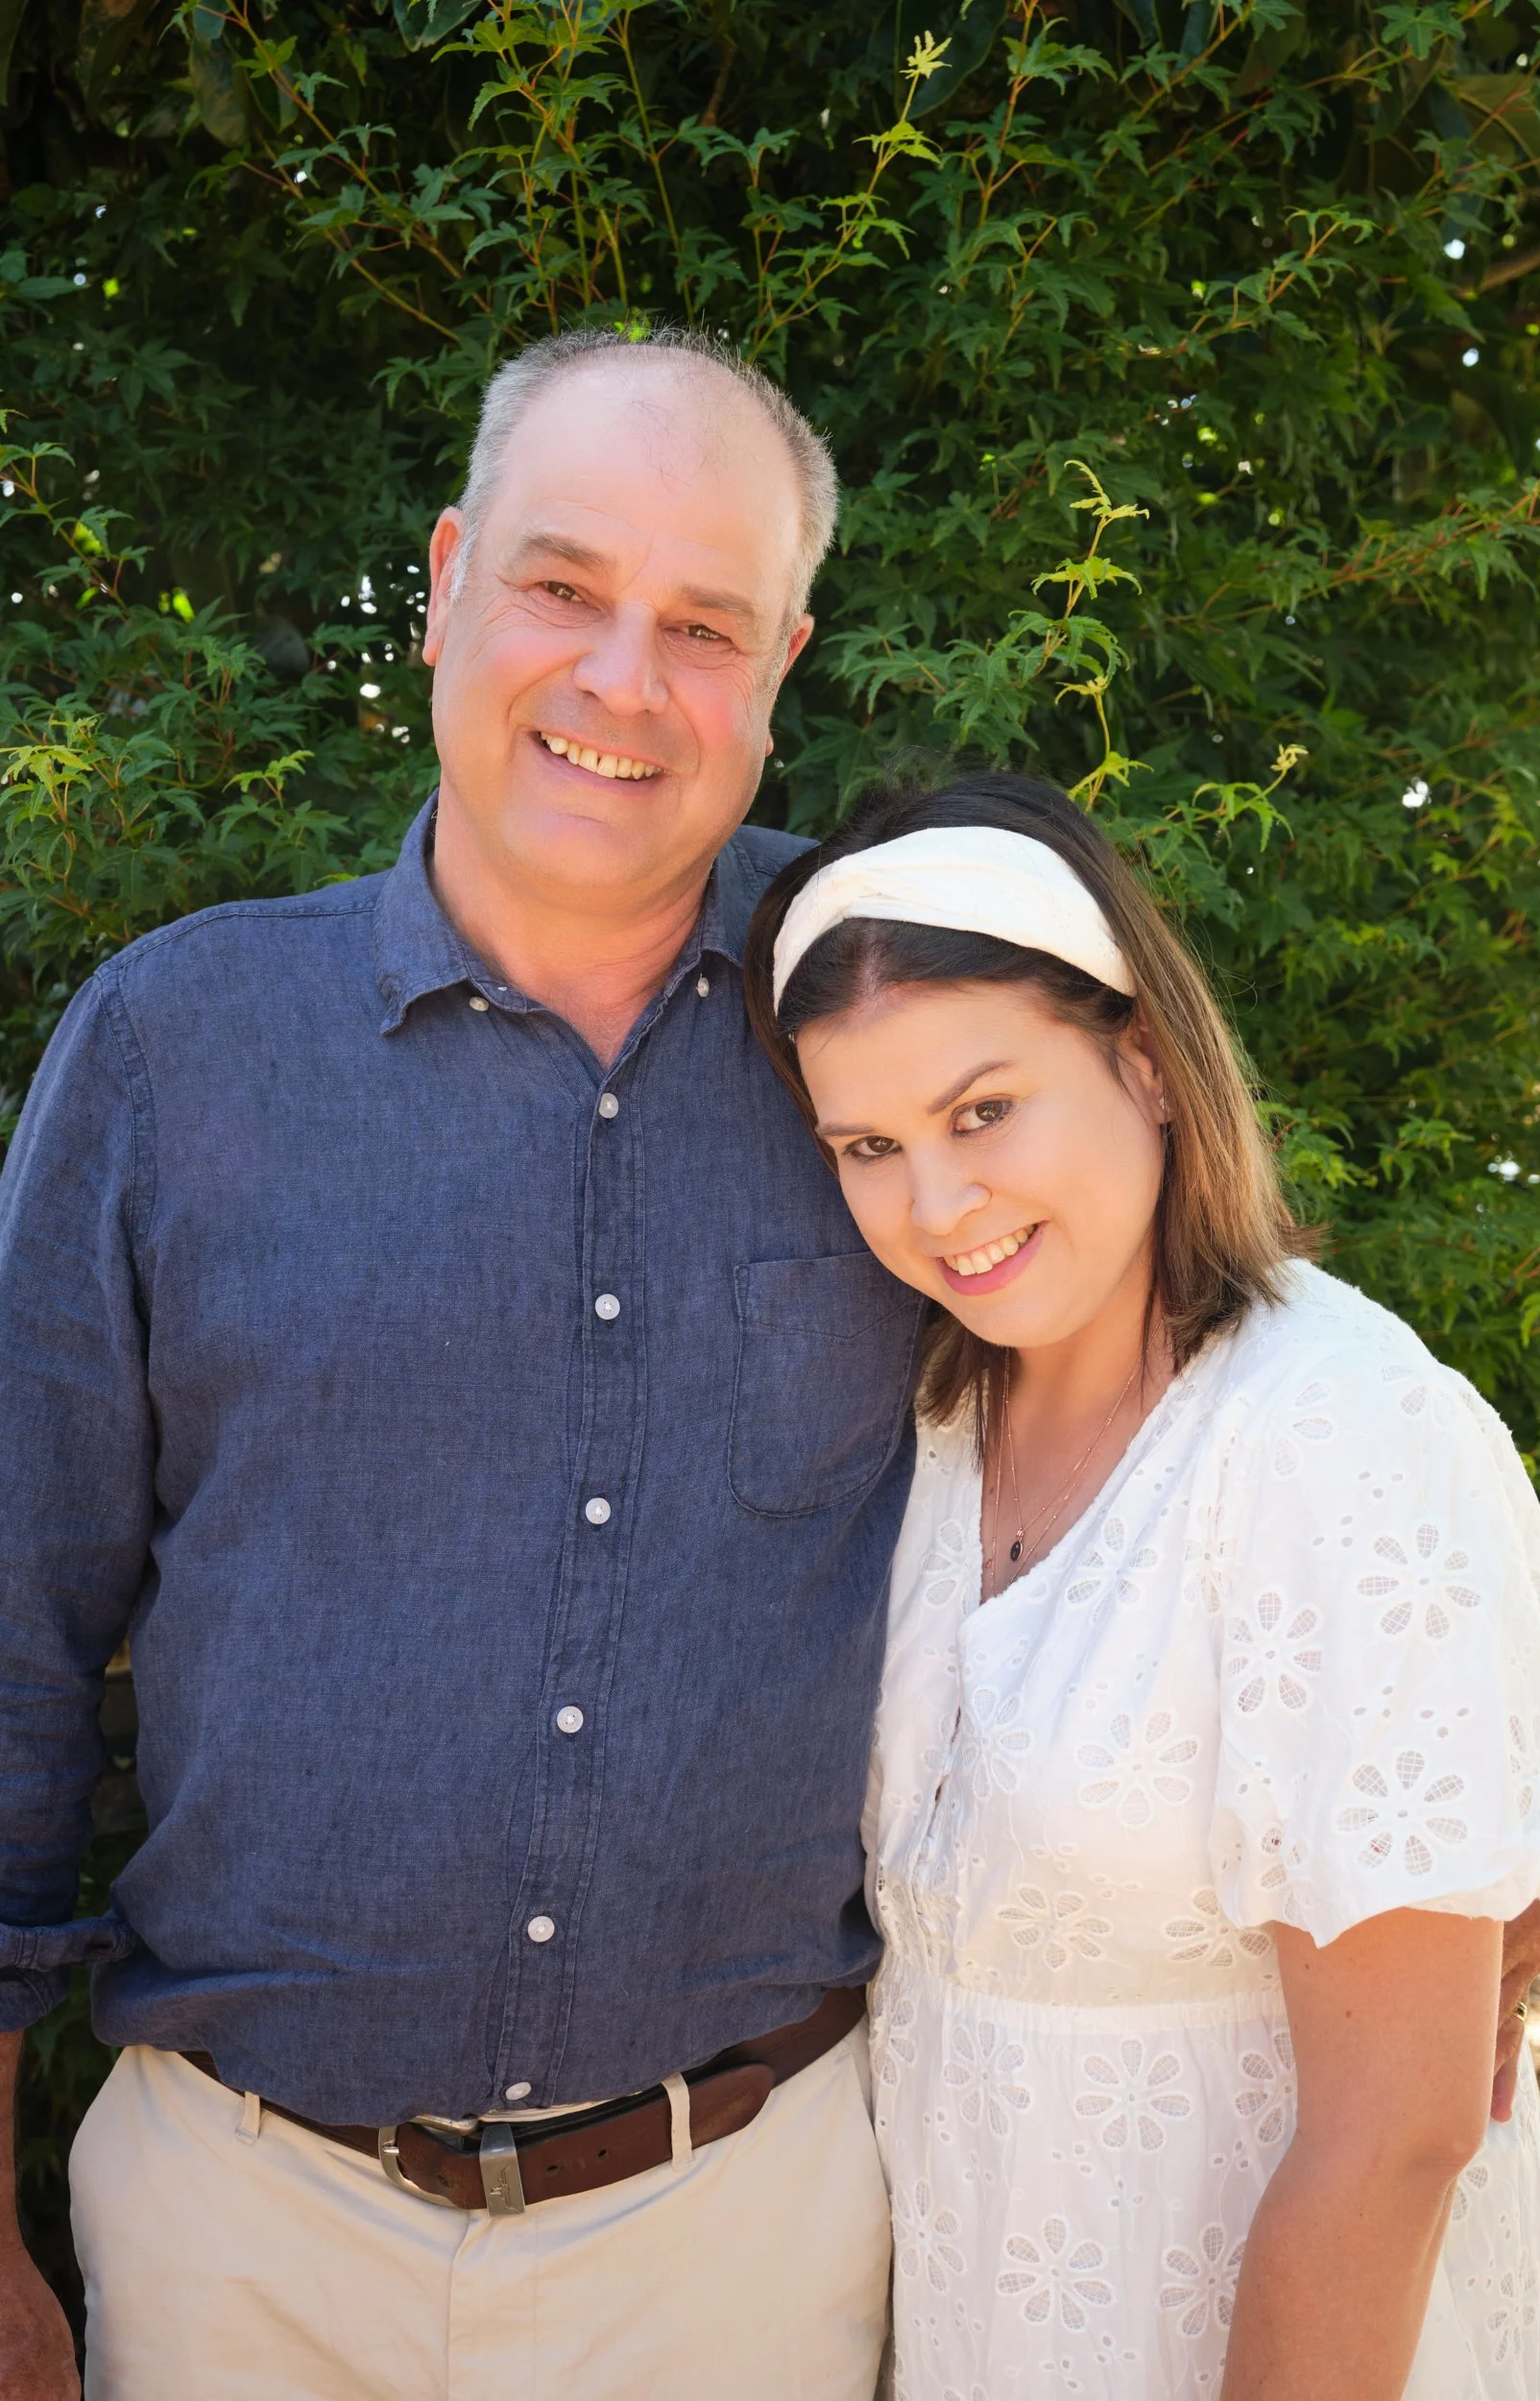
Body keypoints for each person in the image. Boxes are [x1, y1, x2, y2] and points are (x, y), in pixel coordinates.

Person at [0, 327, 920, 2400]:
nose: (620, 679)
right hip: (242, 2235)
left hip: (741, 2233)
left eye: (701, 624)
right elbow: (7, 1651)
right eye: (561, 584)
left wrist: (1375, 1814)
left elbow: (1166, 1379)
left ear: (782, 658)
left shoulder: (899, 1017)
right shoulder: (173, 1052)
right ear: (442, 579)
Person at [744, 767, 1540, 2401]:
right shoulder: (926, 1430)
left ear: (1143, 1058)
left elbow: (1400, 2136)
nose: (937, 1205)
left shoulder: (1335, 1429)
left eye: (983, 1110)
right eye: (867, 1143)